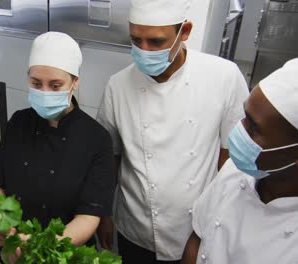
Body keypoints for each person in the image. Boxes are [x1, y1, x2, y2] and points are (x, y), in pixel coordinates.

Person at [96, 0, 249, 263]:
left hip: (194, 227)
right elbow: (108, 157)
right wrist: (103, 214)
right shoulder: (117, 86)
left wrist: (217, 222)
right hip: (135, 226)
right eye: (136, 40)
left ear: (185, 31)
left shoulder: (223, 77)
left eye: (156, 42)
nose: (144, 50)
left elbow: (232, 158)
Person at [0, 32, 116, 259]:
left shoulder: (97, 139)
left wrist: (40, 245)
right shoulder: (18, 122)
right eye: (36, 83)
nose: (44, 93)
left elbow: (88, 218)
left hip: (66, 255)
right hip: (15, 253)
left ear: (75, 82)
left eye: (55, 86)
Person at [181, 59, 298, 264]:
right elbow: (197, 238)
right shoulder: (235, 171)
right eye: (244, 116)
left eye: (254, 128)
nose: (239, 130)